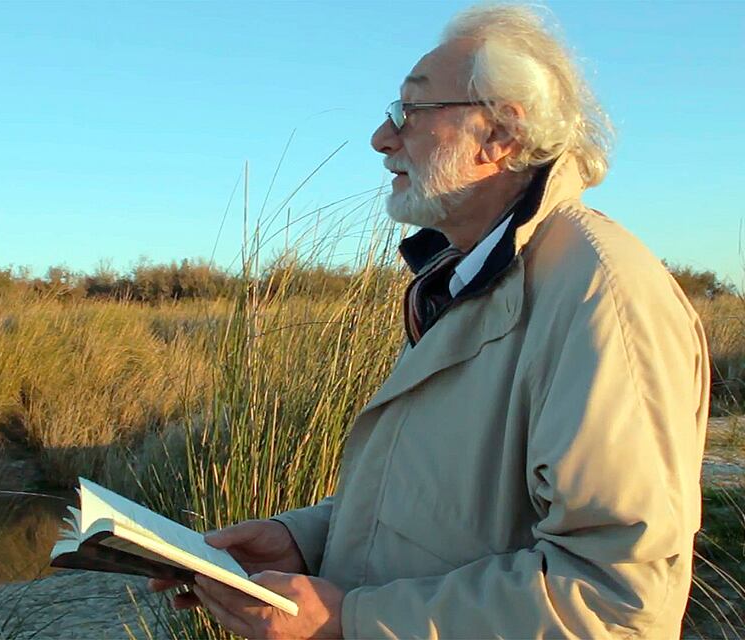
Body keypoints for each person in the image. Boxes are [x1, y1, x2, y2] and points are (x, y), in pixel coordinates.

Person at [150, 4, 710, 638]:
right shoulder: (470, 277)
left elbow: (615, 600)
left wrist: (351, 620)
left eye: (409, 113)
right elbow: (446, 509)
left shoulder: (601, 298)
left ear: (499, 134)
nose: (382, 138)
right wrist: (301, 540)